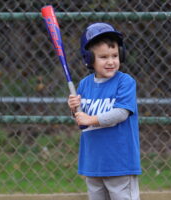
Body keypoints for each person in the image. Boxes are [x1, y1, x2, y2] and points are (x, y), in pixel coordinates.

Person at [67, 22, 142, 200]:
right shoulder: (85, 84)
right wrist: (74, 109)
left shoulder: (125, 82)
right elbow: (82, 121)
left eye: (115, 55)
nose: (111, 61)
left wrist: (90, 119)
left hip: (120, 163)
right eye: (103, 57)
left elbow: (120, 114)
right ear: (89, 58)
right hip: (93, 164)